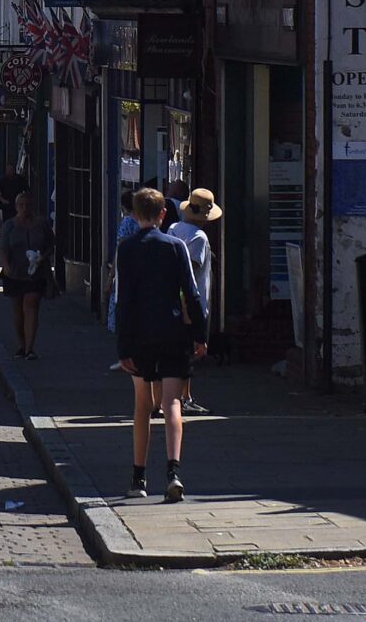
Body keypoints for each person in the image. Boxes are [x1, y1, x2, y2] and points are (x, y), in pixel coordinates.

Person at [111, 187, 206, 503]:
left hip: (140, 336)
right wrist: (200, 335)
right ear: (163, 214)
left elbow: (123, 301)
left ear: (135, 214)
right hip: (172, 332)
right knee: (172, 404)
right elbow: (191, 295)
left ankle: (139, 477)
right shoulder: (176, 247)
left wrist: (122, 347)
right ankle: (174, 473)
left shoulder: (126, 249)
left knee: (141, 405)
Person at [165, 189, 221, 413]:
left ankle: (182, 395)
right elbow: (192, 268)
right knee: (190, 349)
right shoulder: (199, 237)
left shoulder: (173, 228)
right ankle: (183, 397)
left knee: (183, 350)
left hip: (174, 298)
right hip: (191, 299)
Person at [0, 190, 52, 360]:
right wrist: (6, 266)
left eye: (27, 205)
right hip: (15, 272)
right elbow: (3, 249)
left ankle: (30, 348)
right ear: (16, 207)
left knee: (31, 304)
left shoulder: (41, 224)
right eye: (21, 205)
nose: (24, 208)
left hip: (36, 273)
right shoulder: (9, 226)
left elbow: (51, 244)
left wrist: (42, 258)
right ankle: (21, 345)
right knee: (18, 311)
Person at [105, 189, 147, 372]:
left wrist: (111, 275)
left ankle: (126, 358)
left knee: (123, 316)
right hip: (142, 275)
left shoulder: (126, 223)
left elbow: (120, 251)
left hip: (126, 275)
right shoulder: (142, 224)